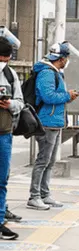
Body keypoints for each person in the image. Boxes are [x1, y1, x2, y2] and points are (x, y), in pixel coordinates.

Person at [28, 42, 79, 210]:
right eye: (67, 58)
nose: (68, 61)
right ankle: (34, 196)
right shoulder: (47, 73)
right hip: (46, 121)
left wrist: (67, 96)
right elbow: (48, 96)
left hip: (54, 121)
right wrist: (67, 95)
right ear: (62, 58)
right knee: (43, 160)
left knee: (50, 161)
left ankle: (44, 193)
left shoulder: (55, 72)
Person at [0, 36, 23, 239]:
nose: (4, 63)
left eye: (6, 59)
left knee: (1, 180)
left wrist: (11, 105)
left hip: (4, 134)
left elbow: (20, 102)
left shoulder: (10, 74)